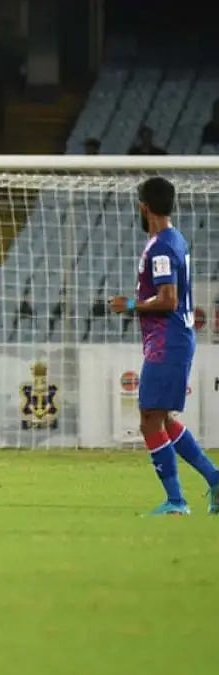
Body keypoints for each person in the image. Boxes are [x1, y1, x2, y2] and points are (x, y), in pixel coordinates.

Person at [108, 177, 219, 515]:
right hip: (169, 340)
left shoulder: (162, 247)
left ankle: (176, 501)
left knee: (149, 418)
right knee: (162, 417)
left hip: (168, 342)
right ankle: (214, 479)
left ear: (144, 207)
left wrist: (130, 306)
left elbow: (168, 300)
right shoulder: (171, 240)